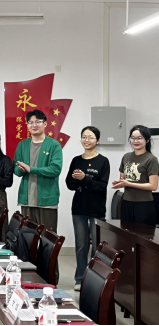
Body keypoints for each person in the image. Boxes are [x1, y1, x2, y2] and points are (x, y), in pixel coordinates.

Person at [66, 126, 110, 291]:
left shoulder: (103, 161)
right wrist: (77, 180)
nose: (87, 140)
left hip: (96, 209)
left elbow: (101, 186)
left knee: (97, 246)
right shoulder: (76, 160)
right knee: (81, 245)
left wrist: (84, 178)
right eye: (84, 137)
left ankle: (94, 279)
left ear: (97, 141)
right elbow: (69, 184)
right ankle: (79, 279)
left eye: (91, 137)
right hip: (78, 208)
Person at [13, 109, 63, 232]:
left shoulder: (54, 145)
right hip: (27, 200)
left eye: (38, 122)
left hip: (47, 200)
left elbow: (55, 169)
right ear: (27, 125)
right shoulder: (22, 145)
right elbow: (16, 169)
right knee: (27, 236)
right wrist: (21, 169)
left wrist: (31, 169)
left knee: (48, 237)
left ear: (45, 124)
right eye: (30, 122)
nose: (34, 125)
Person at [113, 125, 158, 227]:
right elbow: (123, 178)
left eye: (139, 138)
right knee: (126, 233)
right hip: (126, 202)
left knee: (143, 235)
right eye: (133, 138)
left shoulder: (151, 159)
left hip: (144, 204)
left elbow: (153, 186)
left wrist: (129, 183)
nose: (135, 141)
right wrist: (119, 183)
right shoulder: (126, 156)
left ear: (147, 140)